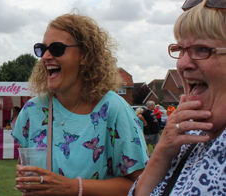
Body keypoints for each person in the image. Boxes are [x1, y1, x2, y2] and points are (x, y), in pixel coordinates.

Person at [12, 13, 148, 196]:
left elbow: (142, 185)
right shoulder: (32, 111)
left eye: (57, 48)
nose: (45, 56)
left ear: (84, 56)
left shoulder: (113, 110)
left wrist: (73, 188)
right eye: (42, 49)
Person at [130, 0, 226, 195]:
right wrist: (160, 156)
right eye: (180, 49)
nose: (182, 63)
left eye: (202, 49)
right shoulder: (186, 135)